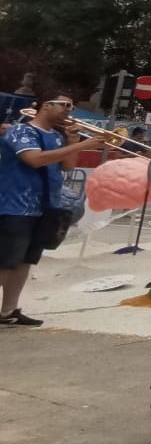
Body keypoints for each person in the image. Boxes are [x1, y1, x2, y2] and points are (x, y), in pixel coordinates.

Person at [0, 92, 112, 325]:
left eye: (71, 106)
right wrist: (84, 143)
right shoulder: (22, 131)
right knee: (6, 262)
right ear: (46, 105)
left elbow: (67, 167)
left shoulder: (55, 136)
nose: (68, 110)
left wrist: (73, 142)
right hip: (15, 206)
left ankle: (8, 310)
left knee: (25, 261)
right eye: (64, 105)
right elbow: (34, 159)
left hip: (46, 206)